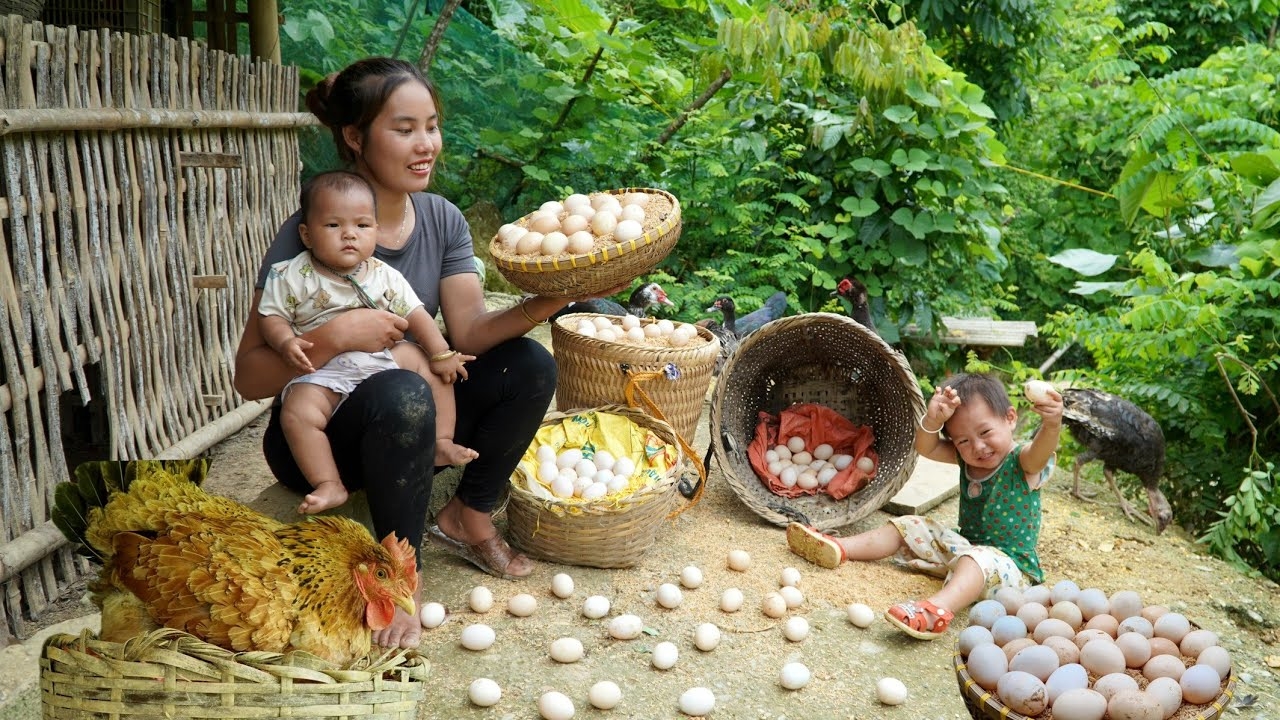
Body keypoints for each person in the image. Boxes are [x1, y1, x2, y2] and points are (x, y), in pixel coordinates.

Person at [234, 57, 601, 651]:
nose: (426, 143)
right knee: (403, 388)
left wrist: (555, 299)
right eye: (404, 129)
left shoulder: (442, 218)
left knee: (528, 366)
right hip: (321, 432)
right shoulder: (313, 227)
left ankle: (468, 515)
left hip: (408, 412)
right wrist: (334, 336)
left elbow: (472, 333)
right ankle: (401, 574)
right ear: (355, 137)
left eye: (431, 125)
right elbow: (248, 378)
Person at [258, 170, 478, 515]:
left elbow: (416, 315)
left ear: (375, 230)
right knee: (297, 413)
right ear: (307, 234)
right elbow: (271, 317)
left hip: (381, 357)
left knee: (431, 368)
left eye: (362, 226)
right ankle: (329, 482)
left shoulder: (383, 274)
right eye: (333, 226)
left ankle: (440, 441)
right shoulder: (290, 275)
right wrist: (286, 341)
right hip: (323, 370)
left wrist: (441, 352)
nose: (349, 235)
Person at [786, 373, 1063, 639]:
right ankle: (840, 547)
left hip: (1010, 571)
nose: (978, 446)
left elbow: (1039, 453)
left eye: (985, 432)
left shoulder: (1023, 462)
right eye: (963, 440)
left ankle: (936, 610)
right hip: (966, 550)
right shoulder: (967, 460)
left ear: (1010, 418)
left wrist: (1051, 425)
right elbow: (926, 447)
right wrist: (933, 420)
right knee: (911, 524)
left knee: (976, 559)